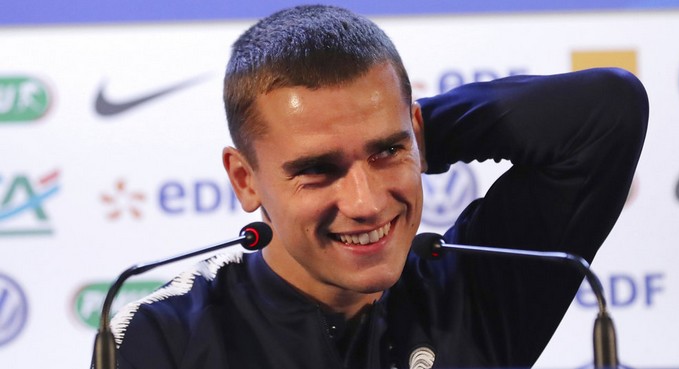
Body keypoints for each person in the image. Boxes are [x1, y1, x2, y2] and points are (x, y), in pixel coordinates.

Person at [107, 5, 648, 369]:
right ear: (246, 180)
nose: (365, 203)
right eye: (318, 168)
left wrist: (416, 138)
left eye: (385, 152)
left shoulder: (475, 290)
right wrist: (387, 140)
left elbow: (605, 113)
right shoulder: (166, 337)